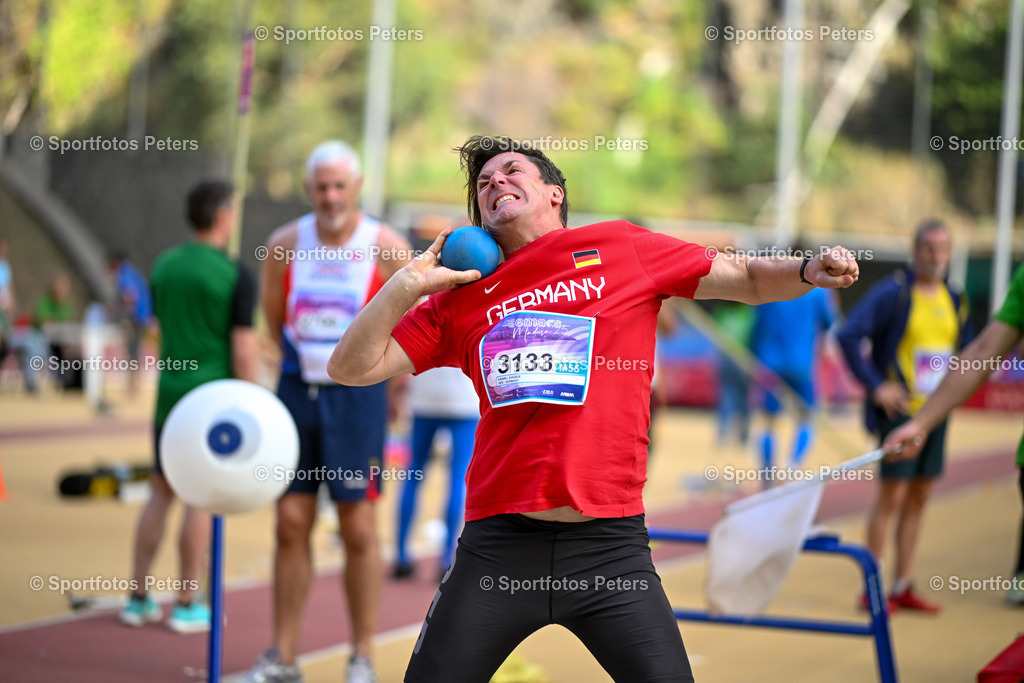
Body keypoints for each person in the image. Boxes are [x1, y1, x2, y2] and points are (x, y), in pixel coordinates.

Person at [327, 135, 860, 681]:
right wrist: (408, 284)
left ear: (554, 193)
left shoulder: (621, 247)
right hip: (500, 548)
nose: (495, 185)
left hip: (609, 549)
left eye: (511, 172)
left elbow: (745, 277)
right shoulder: (461, 298)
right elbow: (349, 367)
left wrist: (806, 270)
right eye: (483, 185)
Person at [247, 140, 412, 683]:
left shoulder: (385, 244)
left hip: (357, 401)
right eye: (321, 187)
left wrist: (386, 385)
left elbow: (412, 321)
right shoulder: (284, 243)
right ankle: (284, 655)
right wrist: (304, 365)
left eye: (340, 185)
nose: (331, 196)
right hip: (298, 394)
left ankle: (362, 654)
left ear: (356, 188)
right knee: (290, 523)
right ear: (307, 190)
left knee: (358, 528)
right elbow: (274, 321)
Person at [120, 179, 259, 632]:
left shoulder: (164, 266)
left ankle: (138, 597)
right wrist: (253, 401)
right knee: (199, 497)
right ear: (222, 216)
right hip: (211, 402)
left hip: (168, 398)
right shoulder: (235, 273)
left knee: (160, 492)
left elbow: (158, 322)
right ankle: (186, 599)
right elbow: (242, 347)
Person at [837, 219, 972, 614]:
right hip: (898, 414)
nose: (937, 255)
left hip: (935, 414)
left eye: (944, 248)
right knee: (892, 497)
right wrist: (877, 385)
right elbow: (847, 335)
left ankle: (902, 584)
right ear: (915, 251)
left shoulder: (956, 298)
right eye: (930, 247)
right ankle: (873, 588)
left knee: (920, 497)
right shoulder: (893, 293)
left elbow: (969, 351)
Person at [884, 261, 1024, 606]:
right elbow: (980, 353)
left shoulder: (953, 297)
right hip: (910, 405)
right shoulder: (895, 293)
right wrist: (920, 423)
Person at [393, 365, 479, 581]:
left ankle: (401, 556)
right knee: (458, 477)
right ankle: (447, 560)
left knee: (413, 474)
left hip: (424, 395)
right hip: (463, 398)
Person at [750, 286, 837, 472]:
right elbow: (829, 322)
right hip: (801, 363)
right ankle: (792, 466)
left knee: (768, 421)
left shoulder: (770, 281)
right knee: (807, 418)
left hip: (770, 364)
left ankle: (767, 473)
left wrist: (754, 354)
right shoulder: (817, 290)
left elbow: (757, 323)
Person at [108, 252, 154, 396]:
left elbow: (130, 296)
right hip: (142, 316)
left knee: (132, 351)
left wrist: (124, 314)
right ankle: (134, 385)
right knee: (135, 351)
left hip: (135, 318)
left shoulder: (124, 274)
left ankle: (132, 387)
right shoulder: (132, 272)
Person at [712, 300, 753, 446]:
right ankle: (744, 436)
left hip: (727, 360)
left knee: (727, 397)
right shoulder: (747, 313)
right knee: (744, 399)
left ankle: (722, 435)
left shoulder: (722, 313)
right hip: (743, 360)